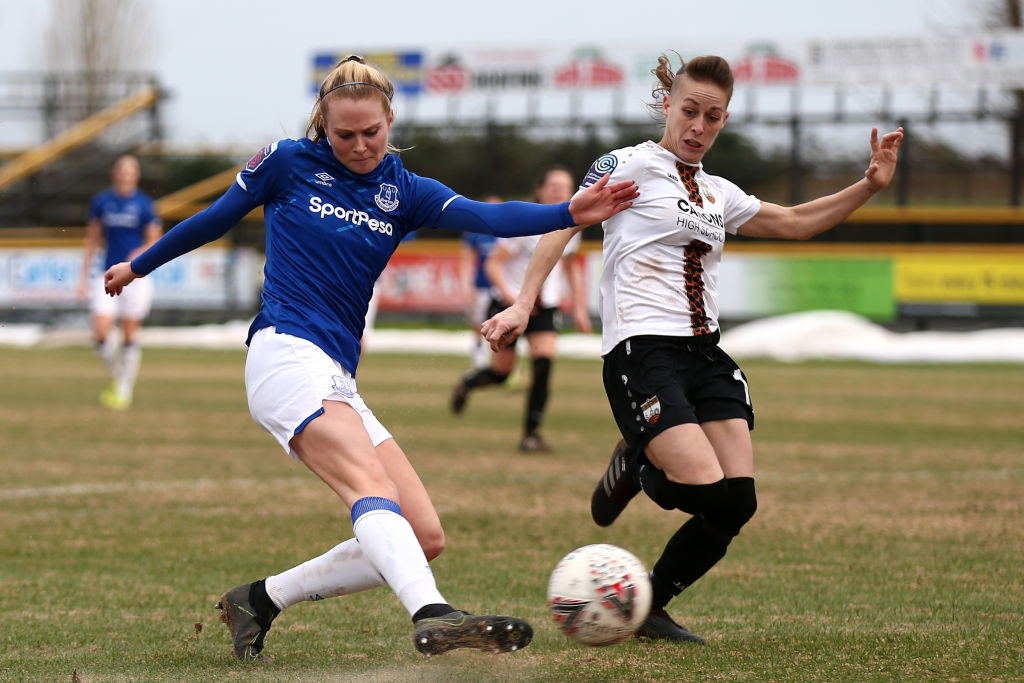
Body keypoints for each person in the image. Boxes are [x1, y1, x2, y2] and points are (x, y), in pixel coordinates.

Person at [103, 55, 637, 662]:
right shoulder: (286, 162)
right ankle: (432, 613)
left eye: (371, 133)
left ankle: (260, 599)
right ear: (322, 127)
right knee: (369, 486)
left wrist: (568, 213)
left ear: (390, 120)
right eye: (343, 135)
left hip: (335, 375)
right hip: (283, 353)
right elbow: (214, 219)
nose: (358, 146)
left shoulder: (405, 191)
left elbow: (488, 216)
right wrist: (138, 264)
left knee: (423, 534)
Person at [482, 53, 903, 643]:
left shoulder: (718, 193)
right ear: (667, 106)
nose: (698, 126)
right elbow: (564, 224)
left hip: (706, 355)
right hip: (643, 353)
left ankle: (650, 604)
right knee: (699, 488)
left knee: (737, 504)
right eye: (689, 111)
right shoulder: (625, 165)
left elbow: (796, 223)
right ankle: (636, 458)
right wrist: (524, 303)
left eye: (713, 116)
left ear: (724, 120)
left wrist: (869, 185)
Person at [450, 166, 592, 453]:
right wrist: (513, 299)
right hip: (509, 306)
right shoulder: (525, 225)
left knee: (544, 366)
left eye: (566, 187)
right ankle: (469, 382)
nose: (560, 192)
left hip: (546, 308)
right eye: (553, 186)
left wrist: (579, 307)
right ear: (540, 190)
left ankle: (531, 435)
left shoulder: (573, 225)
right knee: (502, 374)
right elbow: (492, 264)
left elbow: (570, 268)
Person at [77, 154, 162, 410]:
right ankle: (119, 378)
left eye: (130, 170)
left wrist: (140, 255)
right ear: (115, 173)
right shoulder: (102, 202)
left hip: (135, 277)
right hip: (107, 273)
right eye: (121, 169)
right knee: (101, 333)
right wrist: (82, 276)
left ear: (136, 175)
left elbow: (155, 240)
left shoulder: (145, 205)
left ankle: (124, 390)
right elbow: (92, 239)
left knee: (128, 334)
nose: (125, 174)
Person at [458, 193, 501, 369]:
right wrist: (466, 286)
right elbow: (467, 261)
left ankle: (502, 364)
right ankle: (480, 360)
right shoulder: (475, 233)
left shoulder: (509, 232)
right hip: (482, 286)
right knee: (480, 325)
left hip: (500, 287)